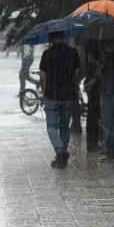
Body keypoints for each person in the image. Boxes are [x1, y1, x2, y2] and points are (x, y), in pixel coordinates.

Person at [39, 31, 81, 169]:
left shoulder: (47, 54)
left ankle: (60, 151)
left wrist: (44, 93)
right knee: (64, 127)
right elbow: (77, 73)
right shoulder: (73, 52)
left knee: (51, 127)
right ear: (64, 37)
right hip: (68, 95)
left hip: (52, 95)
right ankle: (60, 157)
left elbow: (43, 77)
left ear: (51, 38)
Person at [83, 40, 102, 152]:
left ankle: (92, 143)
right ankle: (92, 143)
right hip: (93, 85)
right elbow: (96, 68)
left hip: (91, 83)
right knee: (93, 115)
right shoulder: (95, 46)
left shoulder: (89, 44)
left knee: (92, 116)